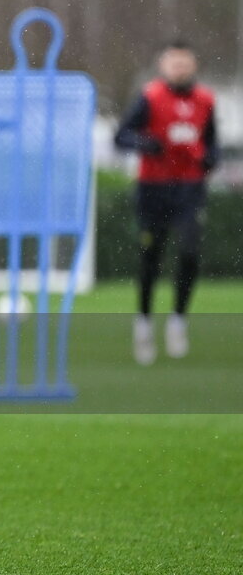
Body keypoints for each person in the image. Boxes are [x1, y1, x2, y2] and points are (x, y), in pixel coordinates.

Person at [114, 40, 218, 365]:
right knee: (151, 256)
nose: (180, 69)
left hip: (189, 188)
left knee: (189, 251)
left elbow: (212, 143)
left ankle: (178, 320)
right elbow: (121, 136)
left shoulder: (205, 101)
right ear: (163, 66)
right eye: (174, 64)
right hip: (153, 188)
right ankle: (144, 323)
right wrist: (149, 144)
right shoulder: (150, 98)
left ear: (194, 66)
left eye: (185, 63)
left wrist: (208, 160)